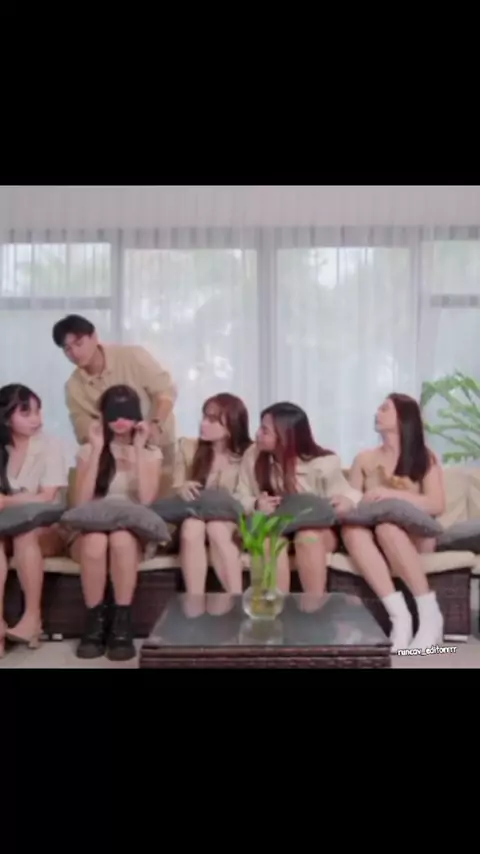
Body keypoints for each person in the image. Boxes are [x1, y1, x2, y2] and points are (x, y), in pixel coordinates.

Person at [341, 393, 446, 652]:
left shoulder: (424, 457)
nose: (377, 413)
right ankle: (400, 617)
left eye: (385, 409)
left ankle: (430, 616)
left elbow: (436, 504)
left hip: (416, 538)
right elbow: (352, 501)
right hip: (373, 539)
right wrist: (342, 502)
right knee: (352, 529)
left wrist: (392, 495)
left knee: (388, 528)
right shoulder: (364, 459)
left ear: (403, 419)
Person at [71, 384, 162, 661]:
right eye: (114, 413)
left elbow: (146, 499)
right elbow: (80, 502)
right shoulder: (88, 450)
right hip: (91, 528)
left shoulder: (151, 453)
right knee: (96, 541)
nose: (120, 420)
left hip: (132, 530)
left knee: (121, 540)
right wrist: (98, 448)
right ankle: (95, 624)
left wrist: (138, 449)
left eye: (127, 413)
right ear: (103, 416)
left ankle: (122, 625)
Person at [235, 401, 361, 594]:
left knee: (307, 537)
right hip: (276, 527)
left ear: (285, 436)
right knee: (268, 540)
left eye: (265, 430)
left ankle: (314, 607)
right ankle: (277, 607)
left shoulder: (324, 463)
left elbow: (351, 494)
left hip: (316, 529)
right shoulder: (253, 455)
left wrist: (348, 502)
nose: (257, 434)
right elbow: (239, 495)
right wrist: (256, 504)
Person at [52, 314, 177, 468]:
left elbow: (165, 392)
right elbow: (82, 427)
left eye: (79, 343)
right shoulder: (73, 387)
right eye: (67, 349)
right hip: (116, 460)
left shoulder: (132, 356)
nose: (75, 353)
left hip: (159, 448)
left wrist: (155, 424)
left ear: (94, 337)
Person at [0, 384, 67, 657]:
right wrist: (25, 497)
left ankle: (32, 618)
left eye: (38, 411)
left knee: (24, 533)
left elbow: (48, 497)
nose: (36, 419)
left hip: (45, 527)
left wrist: (6, 500)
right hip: (3, 528)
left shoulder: (50, 445)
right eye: (26, 413)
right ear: (6, 418)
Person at [173, 393, 252, 600]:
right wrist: (182, 487)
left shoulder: (249, 453)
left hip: (231, 519)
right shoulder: (187, 448)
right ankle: (194, 603)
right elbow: (176, 486)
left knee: (216, 527)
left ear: (232, 425)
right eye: (204, 417)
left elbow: (249, 494)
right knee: (192, 527)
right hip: (194, 514)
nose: (203, 424)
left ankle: (236, 602)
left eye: (212, 419)